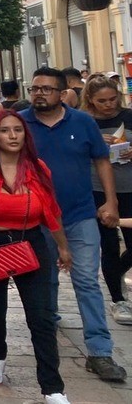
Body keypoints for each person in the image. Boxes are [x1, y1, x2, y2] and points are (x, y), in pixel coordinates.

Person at [0, 110, 73, 403]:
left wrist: (62, 246)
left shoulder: (37, 168)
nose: (12, 136)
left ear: (25, 135)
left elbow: (51, 210)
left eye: (18, 131)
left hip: (29, 241)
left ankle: (52, 386)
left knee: (42, 315)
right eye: (5, 131)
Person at [21, 67, 126, 383]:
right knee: (45, 278)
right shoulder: (20, 124)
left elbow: (102, 161)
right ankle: (48, 321)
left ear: (62, 92)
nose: (40, 93)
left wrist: (110, 201)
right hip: (37, 218)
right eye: (35, 88)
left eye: (47, 89)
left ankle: (99, 351)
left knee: (86, 281)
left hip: (80, 215)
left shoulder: (83, 123)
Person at [79, 76, 132, 325]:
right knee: (109, 243)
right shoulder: (84, 122)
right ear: (91, 100)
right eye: (102, 101)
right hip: (98, 188)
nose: (108, 105)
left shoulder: (129, 116)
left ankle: (117, 272)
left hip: (129, 186)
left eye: (112, 99)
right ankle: (117, 298)